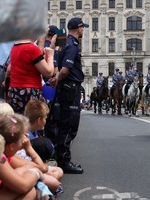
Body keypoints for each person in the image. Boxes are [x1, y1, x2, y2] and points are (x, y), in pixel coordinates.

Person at [49, 17, 88, 174]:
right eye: (82, 28)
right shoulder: (72, 45)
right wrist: (56, 79)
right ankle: (64, 161)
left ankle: (61, 158)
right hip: (70, 89)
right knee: (70, 125)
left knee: (64, 124)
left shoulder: (64, 44)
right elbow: (65, 70)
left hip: (65, 88)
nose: (83, 30)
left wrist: (56, 80)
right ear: (79, 29)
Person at [0, 114, 44, 200]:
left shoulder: (4, 154)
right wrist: (36, 173)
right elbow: (23, 186)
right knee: (30, 192)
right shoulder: (0, 158)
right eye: (21, 138)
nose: (24, 141)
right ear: (12, 146)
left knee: (31, 192)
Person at [8, 38, 54, 113]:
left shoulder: (15, 46)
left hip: (15, 91)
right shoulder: (32, 48)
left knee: (20, 122)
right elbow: (48, 72)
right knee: (31, 122)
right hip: (29, 92)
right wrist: (51, 55)